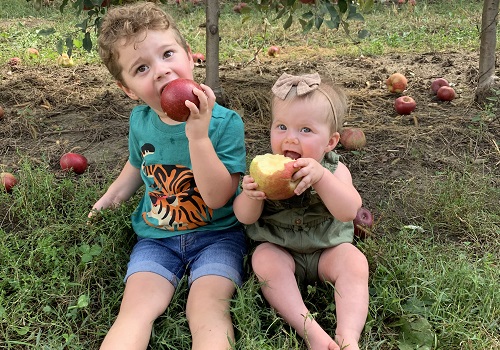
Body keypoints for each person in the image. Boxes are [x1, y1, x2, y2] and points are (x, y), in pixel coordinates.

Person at [89, 3, 247, 349]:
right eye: (142, 67)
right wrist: (109, 199)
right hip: (156, 239)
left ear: (191, 58)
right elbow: (136, 166)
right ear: (128, 88)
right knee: (135, 310)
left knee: (206, 309)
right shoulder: (140, 121)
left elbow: (220, 198)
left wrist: (198, 137)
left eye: (168, 54)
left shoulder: (225, 124)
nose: (161, 71)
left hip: (217, 237)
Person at [233, 72, 369, 350]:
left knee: (355, 262)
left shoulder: (334, 169)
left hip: (326, 251)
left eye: (305, 130)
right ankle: (310, 331)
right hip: (282, 250)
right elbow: (245, 217)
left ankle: (348, 336)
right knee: (264, 259)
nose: (291, 138)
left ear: (330, 142)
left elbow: (348, 211)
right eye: (281, 127)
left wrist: (321, 178)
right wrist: (251, 195)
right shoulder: (264, 169)